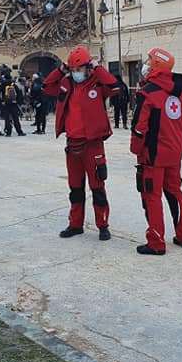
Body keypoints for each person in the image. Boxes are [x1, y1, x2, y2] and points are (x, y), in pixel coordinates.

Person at [43, 45, 120, 241]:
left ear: (88, 67)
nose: (76, 73)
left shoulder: (97, 83)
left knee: (97, 188)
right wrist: (61, 70)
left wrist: (97, 67)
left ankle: (103, 225)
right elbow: (46, 86)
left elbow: (115, 87)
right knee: (75, 188)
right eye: (73, 69)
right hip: (73, 144)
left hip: (93, 145)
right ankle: (75, 224)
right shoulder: (66, 83)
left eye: (79, 69)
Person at [130, 48, 182, 255]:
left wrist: (136, 150)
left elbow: (140, 127)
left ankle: (156, 242)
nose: (145, 64)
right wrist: (179, 149)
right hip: (175, 154)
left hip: (153, 155)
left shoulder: (148, 93)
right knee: (175, 192)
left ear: (156, 65)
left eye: (149, 60)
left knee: (152, 196)